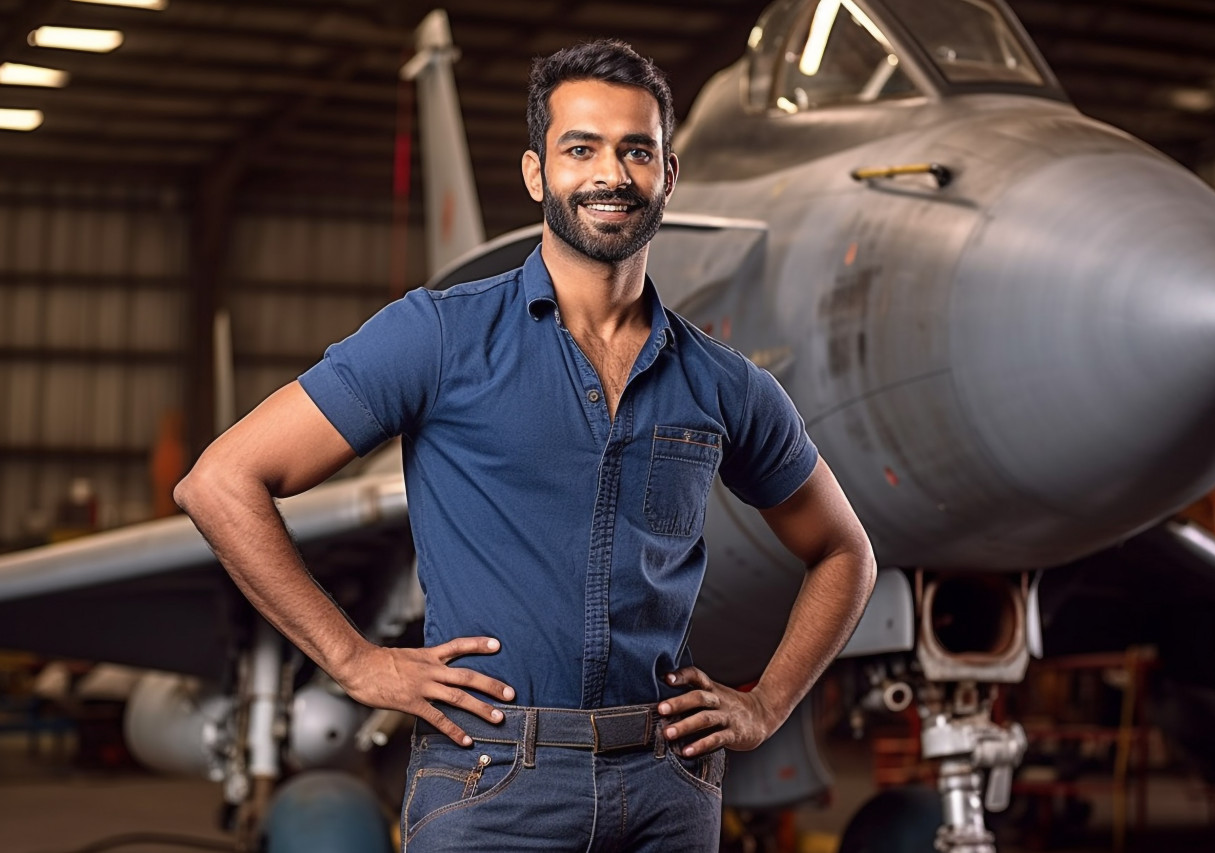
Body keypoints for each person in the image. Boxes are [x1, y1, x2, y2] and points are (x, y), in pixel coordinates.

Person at [175, 39, 876, 852]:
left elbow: (844, 551)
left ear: (668, 177)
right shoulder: (436, 337)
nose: (611, 173)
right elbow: (221, 480)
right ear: (537, 174)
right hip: (491, 779)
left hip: (667, 787)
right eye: (581, 148)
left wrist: (768, 702)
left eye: (636, 151)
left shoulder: (724, 383)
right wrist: (355, 660)